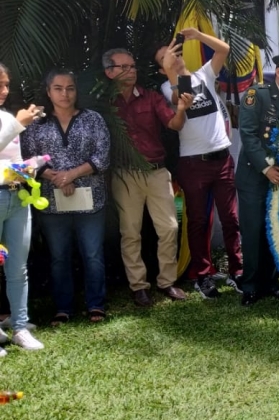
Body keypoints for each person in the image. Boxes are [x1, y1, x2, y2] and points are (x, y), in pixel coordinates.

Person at [155, 28, 243, 298]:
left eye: (175, 51)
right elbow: (180, 98)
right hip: (193, 164)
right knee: (199, 220)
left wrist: (197, 36)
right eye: (166, 57)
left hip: (222, 158)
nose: (174, 56)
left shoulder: (204, 74)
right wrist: (173, 70)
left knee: (231, 218)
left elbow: (224, 50)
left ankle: (238, 271)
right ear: (162, 70)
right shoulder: (166, 86)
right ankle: (202, 275)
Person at [21, 69, 110, 326]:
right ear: (48, 92)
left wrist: (70, 175)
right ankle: (63, 307)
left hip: (91, 199)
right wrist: (55, 179)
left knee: (92, 253)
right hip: (51, 201)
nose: (65, 93)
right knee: (59, 256)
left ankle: (96, 304)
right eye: (58, 88)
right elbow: (28, 159)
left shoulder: (92, 119)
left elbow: (102, 156)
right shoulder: (36, 124)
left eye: (70, 88)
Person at [103, 48, 191, 307]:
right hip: (125, 175)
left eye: (133, 66)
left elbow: (174, 125)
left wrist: (182, 109)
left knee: (169, 228)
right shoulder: (104, 104)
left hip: (156, 172)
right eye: (124, 67)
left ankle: (167, 282)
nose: (131, 71)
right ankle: (138, 286)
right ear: (109, 72)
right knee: (130, 232)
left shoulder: (151, 97)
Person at [235, 52, 279, 306]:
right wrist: (267, 169)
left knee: (276, 229)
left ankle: (272, 281)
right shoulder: (258, 95)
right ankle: (251, 285)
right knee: (253, 231)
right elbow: (249, 135)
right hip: (255, 176)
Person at [0, 61, 45, 355]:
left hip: (17, 197)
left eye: (6, 85)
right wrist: (19, 123)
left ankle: (19, 326)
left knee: (18, 267)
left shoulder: (6, 117)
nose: (4, 91)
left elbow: (6, 163)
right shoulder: (13, 120)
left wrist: (29, 169)